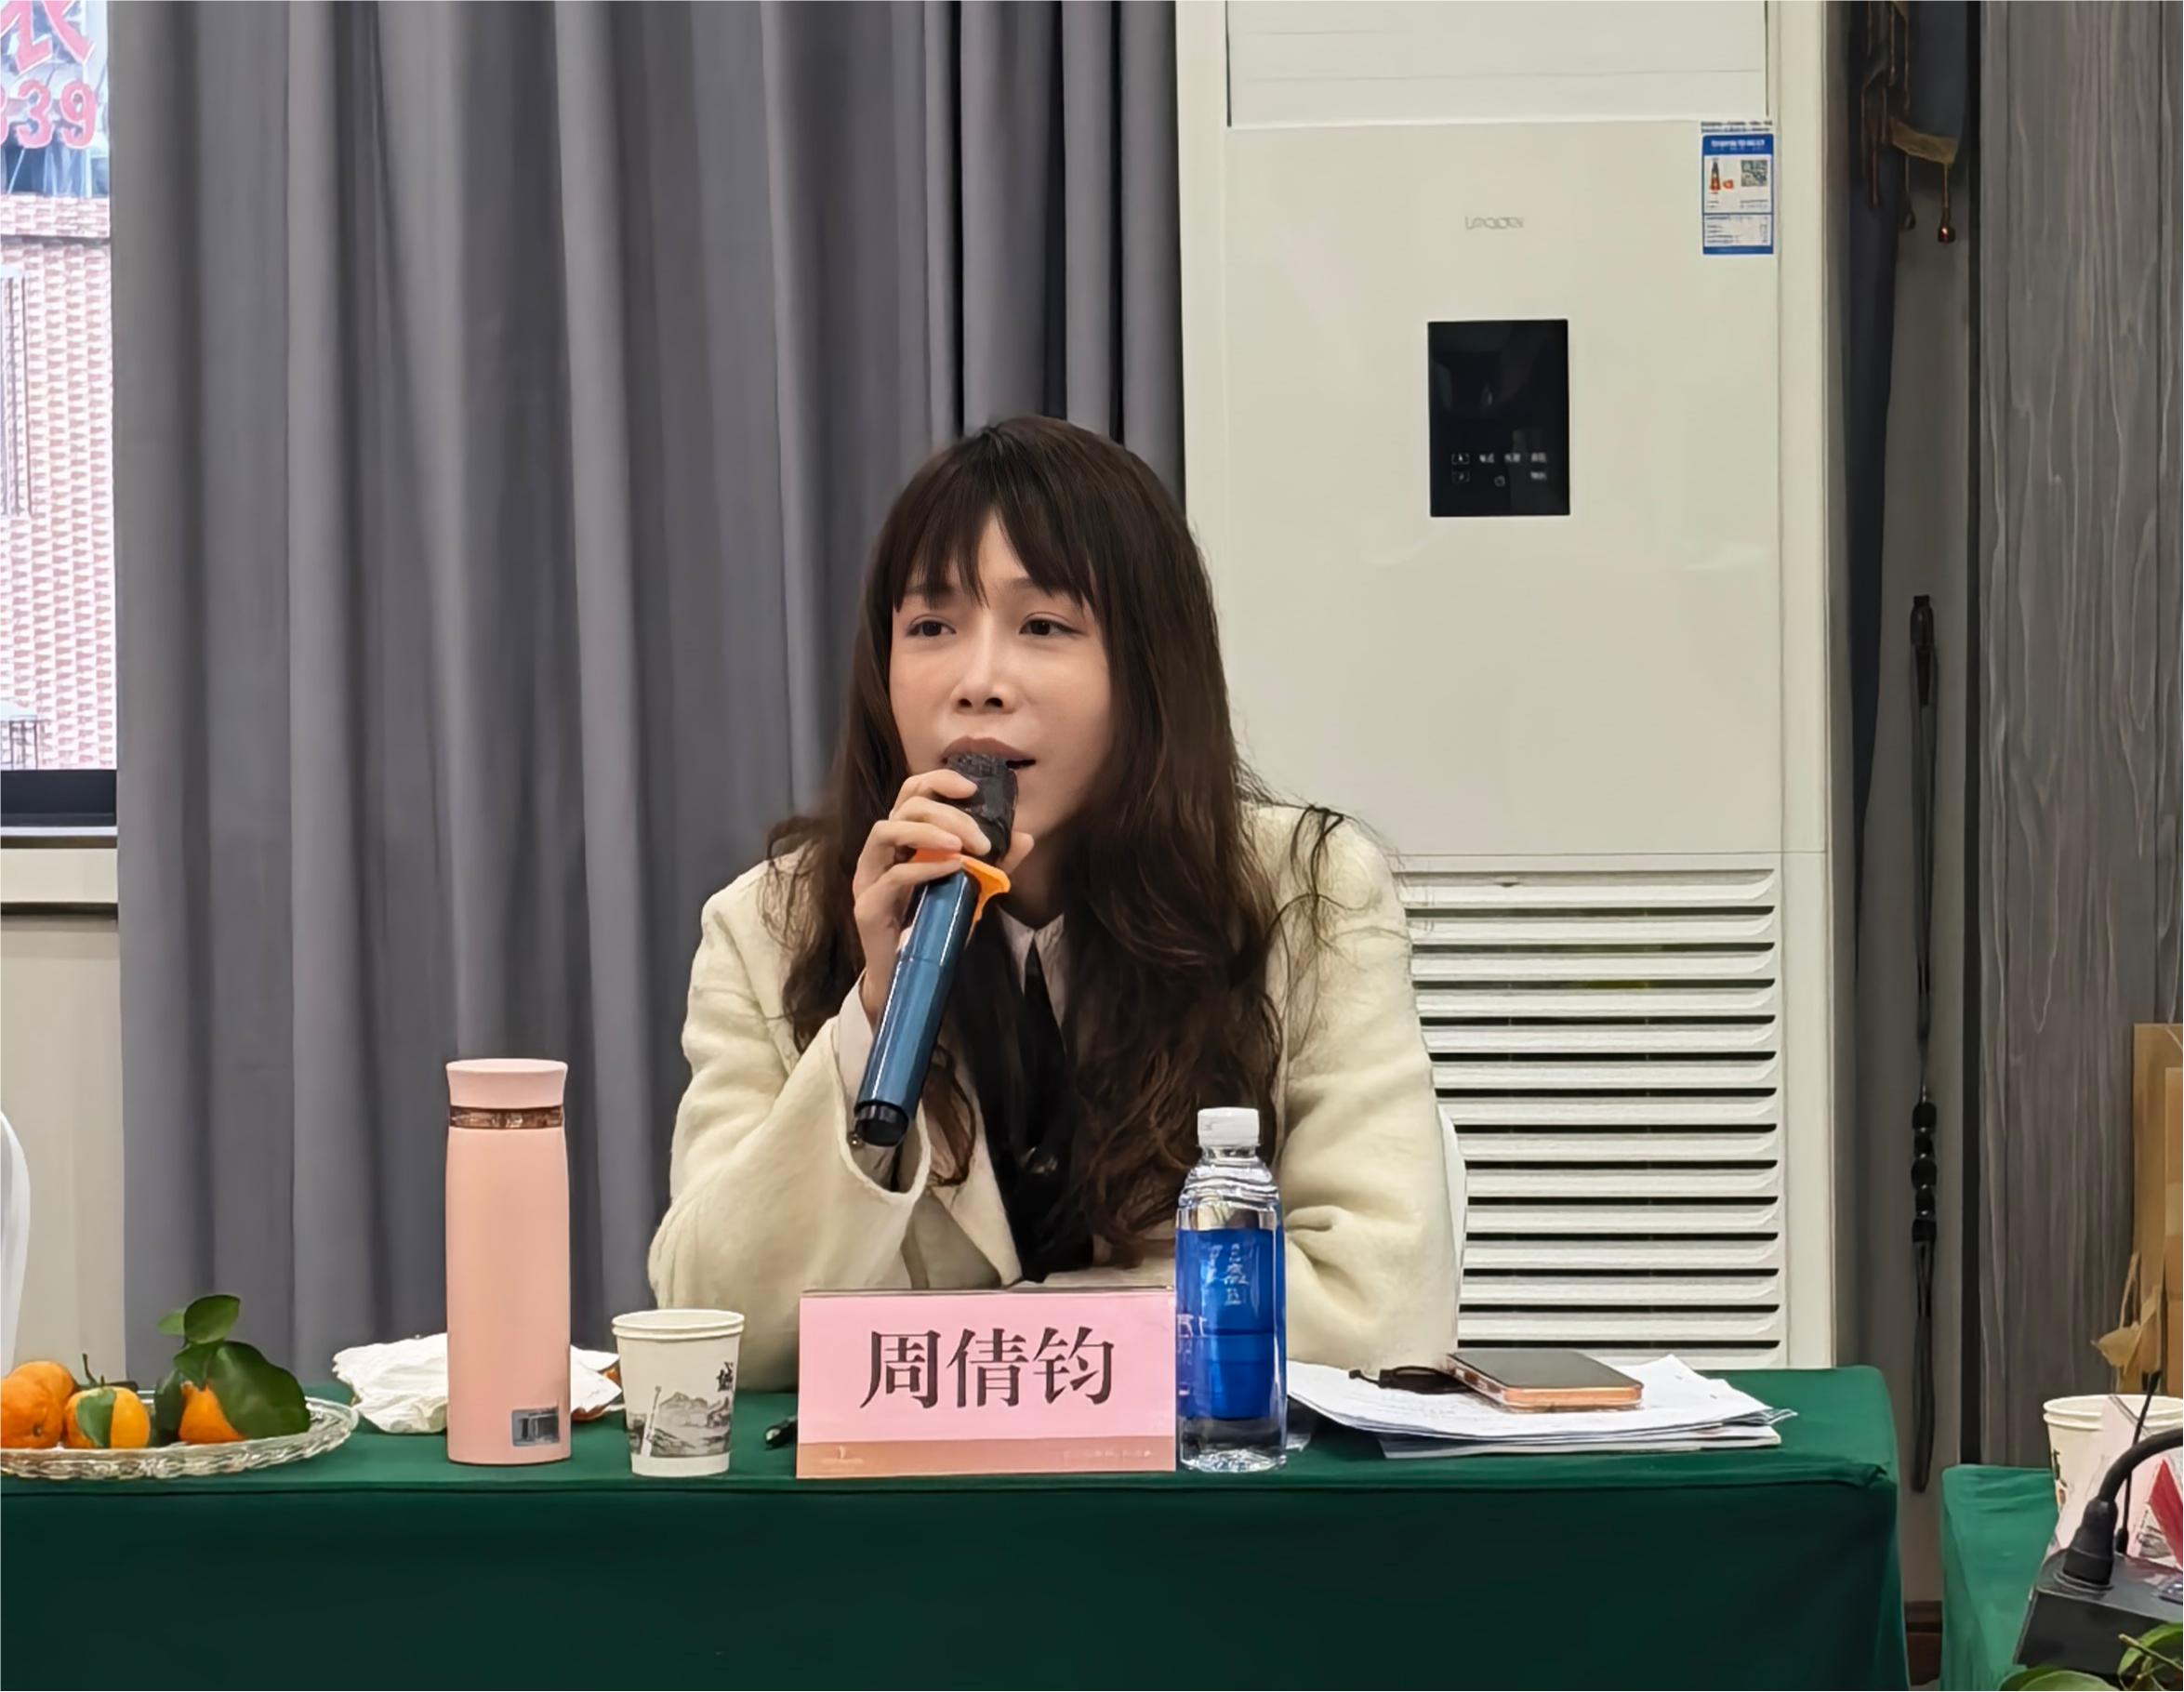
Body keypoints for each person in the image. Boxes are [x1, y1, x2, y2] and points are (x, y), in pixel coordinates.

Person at [648, 417, 1461, 1388]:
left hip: (1200, 1478)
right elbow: (715, 1327)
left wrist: (1007, 1335)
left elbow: (1379, 1308)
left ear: (1149, 668)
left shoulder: (1306, 891)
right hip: (902, 1492)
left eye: (1043, 626)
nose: (979, 683)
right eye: (931, 628)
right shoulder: (766, 927)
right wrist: (870, 1016)